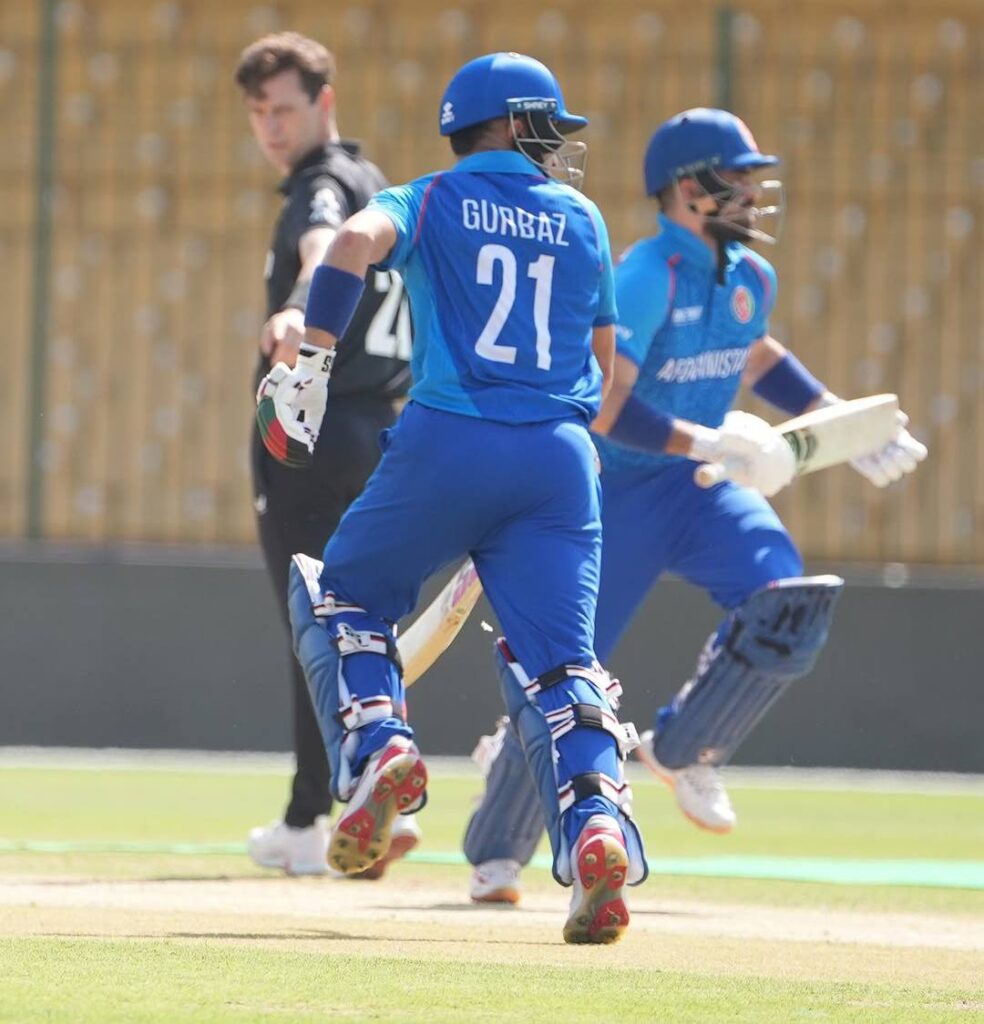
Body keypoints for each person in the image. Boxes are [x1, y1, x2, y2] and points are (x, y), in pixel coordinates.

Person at [464, 107, 928, 905]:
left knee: (787, 602)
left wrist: (840, 422)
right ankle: (498, 847)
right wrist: (705, 443)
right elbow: (607, 404)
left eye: (754, 179)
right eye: (738, 179)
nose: (754, 194)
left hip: (699, 488)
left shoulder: (749, 276)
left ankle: (686, 749)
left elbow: (756, 356)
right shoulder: (646, 276)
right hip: (610, 495)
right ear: (688, 188)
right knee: (560, 675)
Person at [257, 52, 650, 944]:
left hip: (448, 438)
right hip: (557, 459)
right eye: (546, 125)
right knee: (565, 673)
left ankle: (381, 753)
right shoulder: (584, 218)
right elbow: (605, 372)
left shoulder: (431, 195)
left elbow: (352, 245)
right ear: (515, 124)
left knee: (340, 595)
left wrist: (312, 362)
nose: (557, 144)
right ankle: (597, 829)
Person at [234, 32, 419, 878]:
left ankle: (317, 816)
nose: (272, 127)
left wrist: (296, 316)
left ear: (325, 103)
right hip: (383, 430)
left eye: (286, 108)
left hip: (311, 432)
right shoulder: (384, 191)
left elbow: (317, 251)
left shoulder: (322, 187)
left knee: (312, 624)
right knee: (361, 622)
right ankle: (376, 786)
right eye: (259, 112)